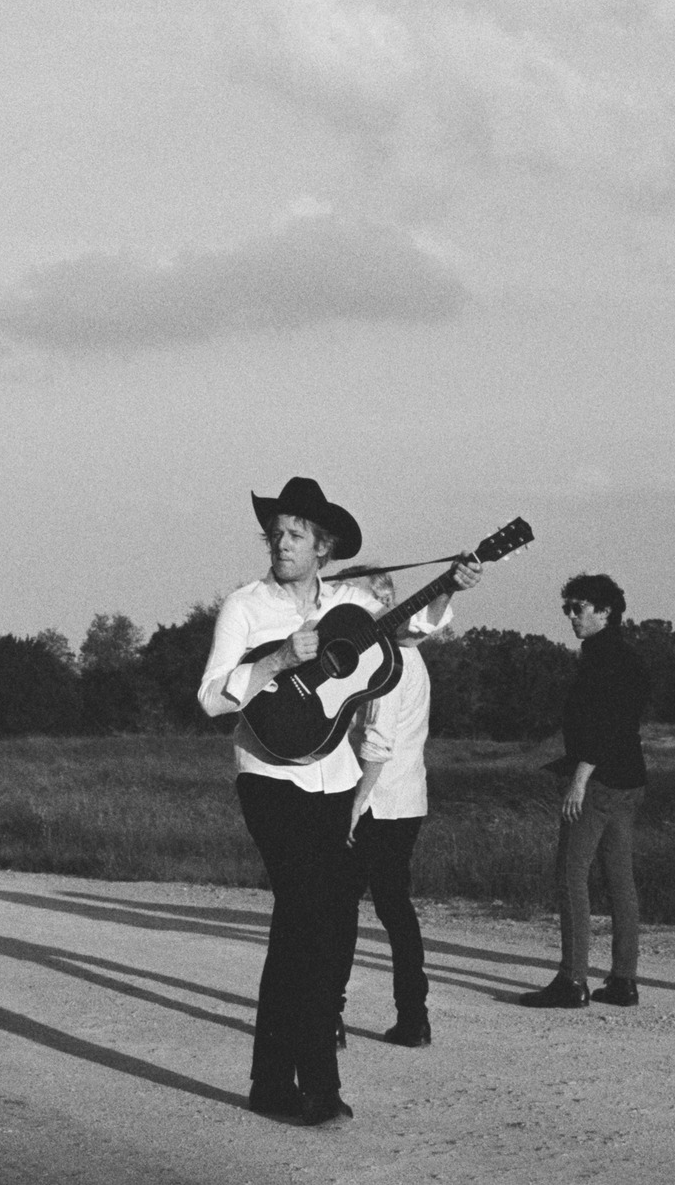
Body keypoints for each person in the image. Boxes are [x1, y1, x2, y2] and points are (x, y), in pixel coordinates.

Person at [199, 478, 478, 1129]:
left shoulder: (349, 602)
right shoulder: (244, 606)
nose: (282, 544)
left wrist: (451, 589)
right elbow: (212, 696)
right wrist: (276, 660)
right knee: (305, 916)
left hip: (335, 778)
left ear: (322, 547)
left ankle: (282, 1082)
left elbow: (409, 629)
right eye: (276, 533)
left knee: (321, 928)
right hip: (269, 777)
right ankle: (309, 1083)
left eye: (295, 535)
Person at [520, 573, 650, 1010]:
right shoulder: (626, 656)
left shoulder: (602, 659)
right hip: (629, 779)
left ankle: (572, 980)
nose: (571, 616)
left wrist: (579, 779)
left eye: (579, 608)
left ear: (605, 611)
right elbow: (623, 724)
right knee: (619, 879)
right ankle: (624, 981)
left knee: (571, 875)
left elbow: (606, 724)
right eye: (567, 609)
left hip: (598, 782)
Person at [335, 569, 435, 1050]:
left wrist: (355, 803)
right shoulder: (407, 653)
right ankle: (413, 1018)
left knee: (342, 906)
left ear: (386, 601)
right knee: (395, 907)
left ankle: (329, 1016)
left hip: (377, 801)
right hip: (406, 799)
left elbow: (378, 741)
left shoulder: (388, 658)